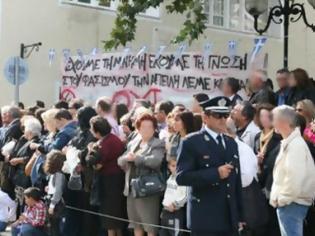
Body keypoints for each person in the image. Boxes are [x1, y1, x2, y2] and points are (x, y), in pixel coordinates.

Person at [176, 96, 244, 236]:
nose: (223, 120)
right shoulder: (191, 142)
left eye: (226, 115)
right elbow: (182, 177)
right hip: (205, 217)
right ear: (205, 117)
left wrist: (240, 215)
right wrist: (215, 174)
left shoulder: (231, 143)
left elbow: (236, 182)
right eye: (218, 115)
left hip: (228, 217)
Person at [270, 105, 315, 236]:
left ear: (284, 122)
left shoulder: (296, 145)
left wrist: (283, 199)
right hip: (290, 204)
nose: (272, 122)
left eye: (274, 118)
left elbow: (295, 177)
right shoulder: (292, 143)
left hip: (291, 204)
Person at [118, 114, 165, 236]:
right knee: (136, 225)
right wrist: (126, 159)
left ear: (155, 129)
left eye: (150, 127)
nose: (146, 130)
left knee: (150, 226)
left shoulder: (157, 143)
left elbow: (156, 161)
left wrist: (137, 158)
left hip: (148, 189)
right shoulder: (133, 143)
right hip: (131, 189)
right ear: (138, 128)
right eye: (143, 127)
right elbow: (120, 160)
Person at [87, 116, 126, 236]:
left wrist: (90, 151)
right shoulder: (113, 139)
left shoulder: (106, 143)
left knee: (110, 218)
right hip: (116, 180)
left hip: (110, 182)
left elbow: (97, 165)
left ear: (97, 131)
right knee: (116, 218)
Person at [253, 104, 282, 236]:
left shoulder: (278, 137)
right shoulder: (257, 136)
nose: (265, 119)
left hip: (271, 181)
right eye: (262, 116)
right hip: (258, 181)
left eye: (268, 116)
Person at [160, 156, 188, 236]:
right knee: (163, 233)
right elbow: (167, 194)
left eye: (177, 165)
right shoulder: (169, 178)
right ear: (169, 166)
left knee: (176, 234)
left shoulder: (183, 179)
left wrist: (175, 204)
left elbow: (185, 196)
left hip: (176, 212)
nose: (175, 168)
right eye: (173, 166)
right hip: (165, 211)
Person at [44, 150, 66, 236]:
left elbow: (58, 191)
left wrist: (52, 205)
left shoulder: (59, 174)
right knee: (51, 227)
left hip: (56, 204)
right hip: (52, 201)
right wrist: (48, 188)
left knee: (55, 227)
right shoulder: (54, 174)